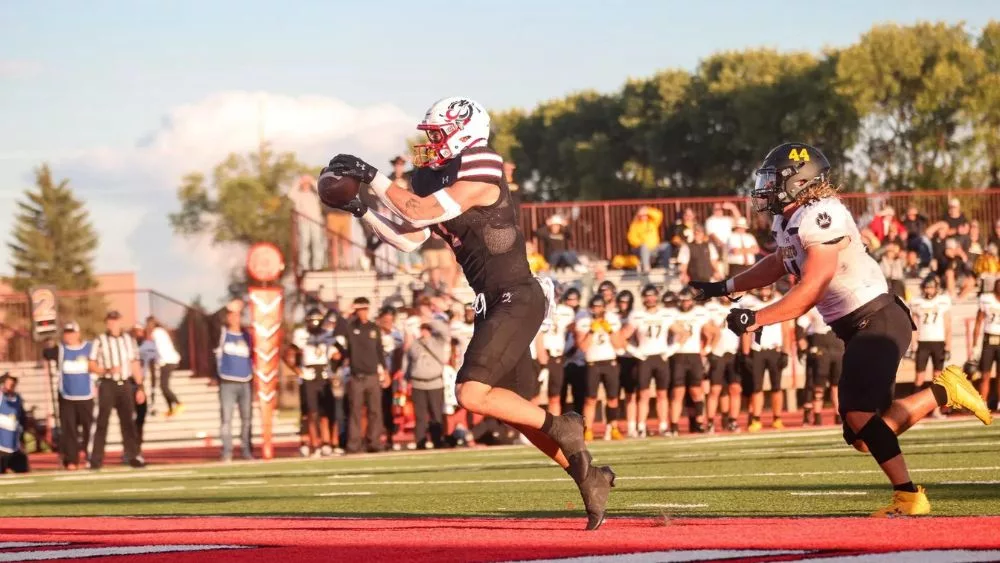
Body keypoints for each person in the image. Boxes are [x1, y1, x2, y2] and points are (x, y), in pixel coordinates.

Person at [320, 96, 614, 529]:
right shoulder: (430, 175)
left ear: (463, 132)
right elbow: (409, 238)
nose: (430, 144)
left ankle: (568, 428)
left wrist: (372, 176)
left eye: (437, 134)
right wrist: (359, 207)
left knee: (471, 394)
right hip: (490, 301)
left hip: (516, 293)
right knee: (510, 408)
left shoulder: (482, 163)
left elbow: (420, 210)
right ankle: (588, 475)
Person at [690, 142, 991, 516]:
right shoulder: (789, 218)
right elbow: (778, 263)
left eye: (772, 179)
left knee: (857, 412)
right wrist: (725, 287)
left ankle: (909, 496)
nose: (764, 187)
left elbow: (811, 288)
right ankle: (944, 391)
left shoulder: (821, 214)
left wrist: (758, 318)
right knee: (864, 435)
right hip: (860, 325)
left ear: (798, 181)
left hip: (877, 320)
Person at [614, 285, 675, 438]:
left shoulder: (665, 314)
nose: (650, 299)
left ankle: (663, 426)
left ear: (657, 297)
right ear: (643, 298)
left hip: (661, 357)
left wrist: (671, 349)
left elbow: (683, 332)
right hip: (645, 358)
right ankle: (640, 426)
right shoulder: (637, 315)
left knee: (662, 394)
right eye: (647, 296)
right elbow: (622, 336)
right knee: (644, 394)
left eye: (652, 295)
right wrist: (634, 351)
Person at [89, 311, 145, 470]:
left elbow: (135, 364)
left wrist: (140, 386)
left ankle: (133, 455)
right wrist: (107, 370)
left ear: (120, 322)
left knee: (128, 422)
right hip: (107, 384)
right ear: (106, 323)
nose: (112, 324)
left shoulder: (129, 340)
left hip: (125, 384)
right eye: (110, 321)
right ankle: (96, 459)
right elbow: (91, 365)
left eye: (115, 321)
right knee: (102, 422)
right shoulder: (100, 340)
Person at [42, 322, 94, 470]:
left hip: (86, 396)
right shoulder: (61, 349)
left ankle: (92, 457)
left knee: (89, 429)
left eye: (72, 332)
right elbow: (46, 353)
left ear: (78, 333)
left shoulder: (89, 348)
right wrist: (46, 340)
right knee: (69, 430)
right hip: (67, 397)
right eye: (66, 332)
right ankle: (71, 460)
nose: (69, 336)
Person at [667, 287, 717, 434]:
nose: (685, 303)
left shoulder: (699, 313)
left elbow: (714, 332)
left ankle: (700, 422)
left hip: (694, 355)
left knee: (696, 391)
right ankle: (674, 426)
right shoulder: (672, 313)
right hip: (678, 354)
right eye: (683, 300)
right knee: (678, 392)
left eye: (688, 300)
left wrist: (707, 349)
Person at [342, 298, 387, 454]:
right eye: (359, 309)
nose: (362, 313)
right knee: (355, 411)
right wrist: (347, 313)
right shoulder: (350, 328)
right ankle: (354, 444)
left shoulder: (374, 328)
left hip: (372, 375)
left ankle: (374, 442)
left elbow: (380, 351)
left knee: (375, 411)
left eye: (365, 309)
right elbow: (338, 333)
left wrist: (385, 371)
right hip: (357, 376)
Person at [575, 296, 623, 441]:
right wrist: (591, 331)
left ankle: (613, 428)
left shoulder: (613, 319)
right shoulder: (583, 321)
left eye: (599, 306)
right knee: (590, 399)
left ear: (604, 307)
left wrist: (609, 330)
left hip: (610, 362)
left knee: (613, 398)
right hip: (593, 363)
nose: (596, 310)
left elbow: (619, 344)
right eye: (594, 307)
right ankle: (588, 430)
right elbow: (582, 347)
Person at [299, 307, 342, 457]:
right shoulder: (301, 335)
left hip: (324, 376)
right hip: (309, 377)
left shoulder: (328, 335)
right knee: (312, 413)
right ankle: (314, 444)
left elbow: (340, 353)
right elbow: (289, 352)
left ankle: (327, 443)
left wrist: (335, 367)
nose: (315, 324)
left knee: (327, 413)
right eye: (312, 321)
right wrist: (297, 370)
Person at [215, 301, 255, 462]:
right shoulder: (222, 334)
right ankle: (227, 452)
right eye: (231, 315)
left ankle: (246, 450)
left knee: (247, 419)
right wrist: (228, 306)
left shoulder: (247, 336)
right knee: (226, 419)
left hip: (245, 381)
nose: (234, 318)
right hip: (227, 382)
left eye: (237, 315)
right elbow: (210, 321)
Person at [909, 276, 952, 417]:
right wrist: (914, 344)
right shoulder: (917, 302)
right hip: (923, 342)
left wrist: (948, 345)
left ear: (936, 288)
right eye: (927, 287)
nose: (929, 290)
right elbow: (914, 326)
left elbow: (947, 324)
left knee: (937, 378)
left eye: (931, 287)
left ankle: (936, 410)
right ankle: (913, 410)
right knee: (919, 378)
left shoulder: (943, 301)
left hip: (938, 342)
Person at [404, 319, 449, 449]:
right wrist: (406, 379)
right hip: (418, 384)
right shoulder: (414, 344)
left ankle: (437, 441)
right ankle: (420, 441)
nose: (424, 331)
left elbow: (444, 331)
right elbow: (410, 362)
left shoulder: (437, 342)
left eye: (426, 329)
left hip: (435, 383)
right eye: (422, 329)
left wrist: (430, 319)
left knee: (436, 414)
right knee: (420, 416)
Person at [798, 306, 843, 426]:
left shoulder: (839, 304)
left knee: (837, 385)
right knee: (818, 384)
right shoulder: (814, 308)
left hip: (837, 347)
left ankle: (838, 415)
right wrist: (801, 341)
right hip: (820, 348)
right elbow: (801, 324)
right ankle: (817, 415)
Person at [146, 316, 183, 418]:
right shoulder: (161, 331)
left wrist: (158, 359)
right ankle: (171, 409)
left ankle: (178, 403)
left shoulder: (156, 333)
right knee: (163, 386)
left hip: (167, 361)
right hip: (169, 360)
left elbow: (158, 348)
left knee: (164, 386)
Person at [289, 174, 327, 272]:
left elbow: (321, 190)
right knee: (304, 243)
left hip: (315, 222)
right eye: (304, 184)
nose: (306, 185)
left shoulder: (314, 194)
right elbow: (290, 194)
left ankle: (317, 265)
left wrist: (312, 180)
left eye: (307, 184)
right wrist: (299, 181)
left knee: (317, 243)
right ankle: (304, 266)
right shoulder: (298, 195)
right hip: (303, 222)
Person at [971, 280, 1000, 407]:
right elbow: (978, 321)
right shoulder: (987, 299)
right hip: (989, 339)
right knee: (985, 374)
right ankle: (982, 404)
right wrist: (975, 345)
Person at [0, 373, 28, 474]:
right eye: (8, 382)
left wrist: (22, 440)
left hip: (14, 445)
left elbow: (22, 420)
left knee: (23, 470)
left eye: (13, 383)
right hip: (1, 446)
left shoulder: (18, 399)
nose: (10, 385)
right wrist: (7, 374)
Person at [627, 206, 670, 272]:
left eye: (645, 215)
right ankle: (646, 268)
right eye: (642, 215)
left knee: (666, 246)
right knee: (644, 247)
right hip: (642, 250)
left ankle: (665, 267)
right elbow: (631, 239)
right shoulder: (635, 226)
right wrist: (643, 243)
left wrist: (647, 210)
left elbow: (659, 215)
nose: (644, 216)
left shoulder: (652, 223)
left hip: (654, 248)